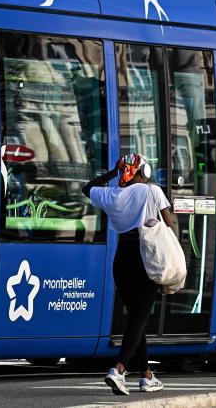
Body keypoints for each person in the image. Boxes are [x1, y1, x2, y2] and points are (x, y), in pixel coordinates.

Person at [82, 153, 175, 395]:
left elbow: (88, 188)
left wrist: (113, 173)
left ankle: (146, 377)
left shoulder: (111, 195)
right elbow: (170, 222)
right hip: (148, 255)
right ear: (143, 172)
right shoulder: (152, 191)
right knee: (139, 316)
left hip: (122, 258)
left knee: (137, 317)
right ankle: (118, 370)